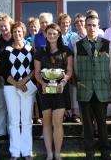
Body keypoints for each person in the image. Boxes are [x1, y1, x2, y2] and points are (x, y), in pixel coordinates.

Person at [74, 14, 111, 159]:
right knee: (87, 125)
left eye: (94, 25)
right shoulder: (78, 45)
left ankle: (105, 152)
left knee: (102, 123)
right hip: (85, 89)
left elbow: (110, 66)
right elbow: (76, 69)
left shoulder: (107, 44)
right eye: (88, 25)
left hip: (101, 90)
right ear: (85, 26)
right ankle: (90, 153)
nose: (91, 28)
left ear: (98, 26)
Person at [34, 23, 73, 160]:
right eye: (49, 33)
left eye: (54, 34)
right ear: (45, 35)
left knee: (57, 122)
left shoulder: (66, 51)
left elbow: (69, 71)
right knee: (46, 122)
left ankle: (57, 153)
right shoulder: (40, 51)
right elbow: (37, 73)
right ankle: (49, 153)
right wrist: (43, 83)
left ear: (58, 35)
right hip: (44, 91)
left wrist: (63, 82)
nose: (51, 36)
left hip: (60, 91)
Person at [0, 21, 35, 160]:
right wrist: (16, 83)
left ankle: (27, 152)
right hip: (10, 88)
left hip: (26, 87)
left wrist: (23, 82)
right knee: (14, 120)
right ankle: (15, 152)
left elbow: (34, 69)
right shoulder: (6, 50)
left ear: (23, 32)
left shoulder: (30, 49)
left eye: (19, 31)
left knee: (26, 120)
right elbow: (3, 72)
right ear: (12, 34)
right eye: (15, 31)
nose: (17, 34)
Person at [0, 13, 14, 140]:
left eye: (5, 26)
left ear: (10, 25)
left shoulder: (16, 39)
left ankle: (12, 132)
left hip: (15, 79)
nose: (3, 29)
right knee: (0, 105)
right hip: (1, 78)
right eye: (1, 27)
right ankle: (0, 132)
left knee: (12, 107)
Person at [57, 13, 79, 122]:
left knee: (73, 88)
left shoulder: (74, 36)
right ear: (59, 24)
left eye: (67, 23)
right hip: (60, 65)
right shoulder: (57, 35)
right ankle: (65, 112)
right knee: (63, 89)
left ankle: (75, 113)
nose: (65, 25)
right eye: (63, 23)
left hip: (72, 64)